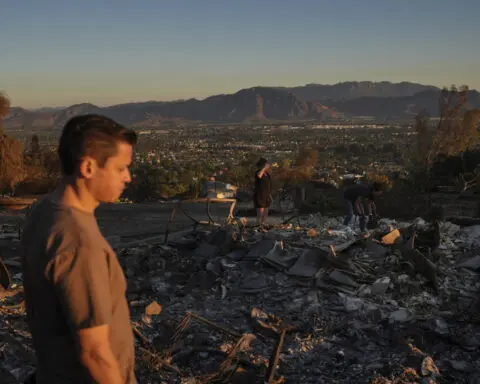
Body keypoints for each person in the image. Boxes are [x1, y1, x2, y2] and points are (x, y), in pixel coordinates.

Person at [21, 114, 137, 384]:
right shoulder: (77, 242)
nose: (128, 177)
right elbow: (94, 352)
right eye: (120, 168)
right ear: (88, 167)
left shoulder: (44, 212)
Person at [253, 158, 272, 231]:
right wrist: (264, 168)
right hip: (259, 196)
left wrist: (270, 195)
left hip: (266, 196)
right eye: (266, 164)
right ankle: (259, 227)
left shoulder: (267, 174)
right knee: (260, 214)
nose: (268, 165)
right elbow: (259, 176)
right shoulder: (258, 172)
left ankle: (263, 225)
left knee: (266, 212)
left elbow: (269, 185)